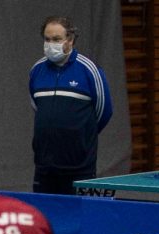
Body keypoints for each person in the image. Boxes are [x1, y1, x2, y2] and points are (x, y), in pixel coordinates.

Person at [29, 16, 113, 195]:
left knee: (78, 213)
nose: (51, 44)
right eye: (47, 39)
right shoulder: (36, 70)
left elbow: (104, 112)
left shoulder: (89, 70)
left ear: (70, 40)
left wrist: (81, 134)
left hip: (79, 167)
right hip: (44, 166)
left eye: (57, 39)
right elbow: (37, 107)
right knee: (45, 211)